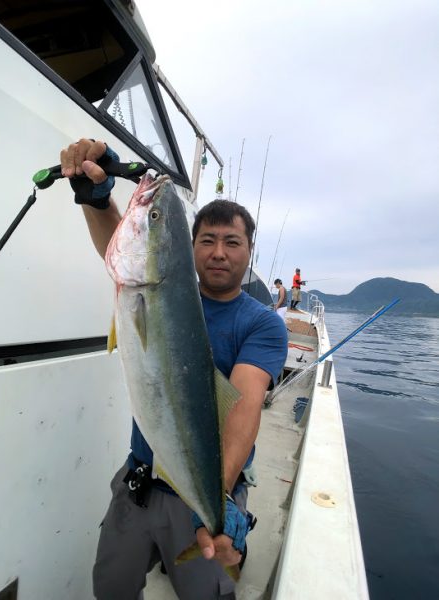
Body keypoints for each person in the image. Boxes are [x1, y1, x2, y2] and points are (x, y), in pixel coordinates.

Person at [60, 139, 288, 600]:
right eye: (207, 240)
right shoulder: (159, 288)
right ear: (189, 247)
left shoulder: (262, 323)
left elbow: (242, 412)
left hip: (208, 489)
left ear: (248, 251)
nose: (219, 252)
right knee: (111, 587)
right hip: (140, 480)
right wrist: (94, 196)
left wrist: (215, 507)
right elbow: (122, 251)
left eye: (232, 242)